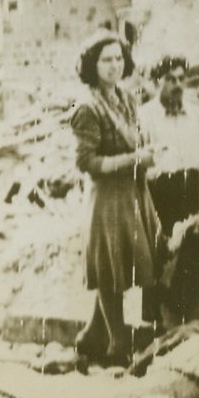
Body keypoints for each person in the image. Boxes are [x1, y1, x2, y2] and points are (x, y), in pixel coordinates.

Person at [70, 29, 162, 366]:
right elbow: (86, 163)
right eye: (105, 59)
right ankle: (118, 345)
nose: (113, 65)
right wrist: (135, 160)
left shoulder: (125, 97)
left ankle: (93, 334)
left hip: (130, 193)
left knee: (121, 263)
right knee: (111, 269)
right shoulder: (87, 107)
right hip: (107, 199)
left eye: (118, 59)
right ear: (92, 66)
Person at [139, 55, 199, 237]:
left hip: (193, 197)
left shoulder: (195, 114)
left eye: (181, 79)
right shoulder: (144, 117)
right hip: (161, 201)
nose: (177, 84)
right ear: (156, 81)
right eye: (170, 79)